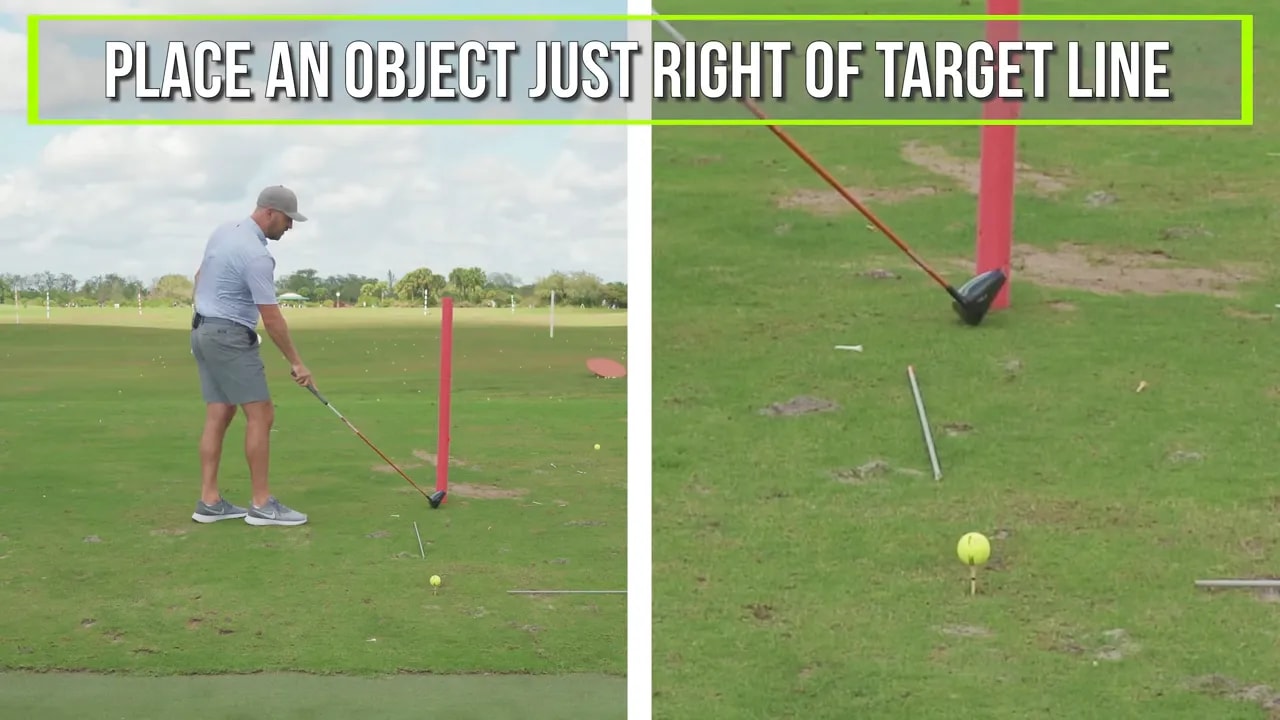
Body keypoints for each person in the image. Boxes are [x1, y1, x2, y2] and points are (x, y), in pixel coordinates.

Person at [189, 185, 314, 527]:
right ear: (270, 213)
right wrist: (296, 362)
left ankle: (209, 501)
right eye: (288, 220)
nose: (290, 228)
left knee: (220, 411)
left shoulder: (224, 231)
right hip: (228, 336)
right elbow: (271, 318)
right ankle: (261, 504)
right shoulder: (257, 255)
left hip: (202, 330)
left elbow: (199, 277)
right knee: (261, 413)